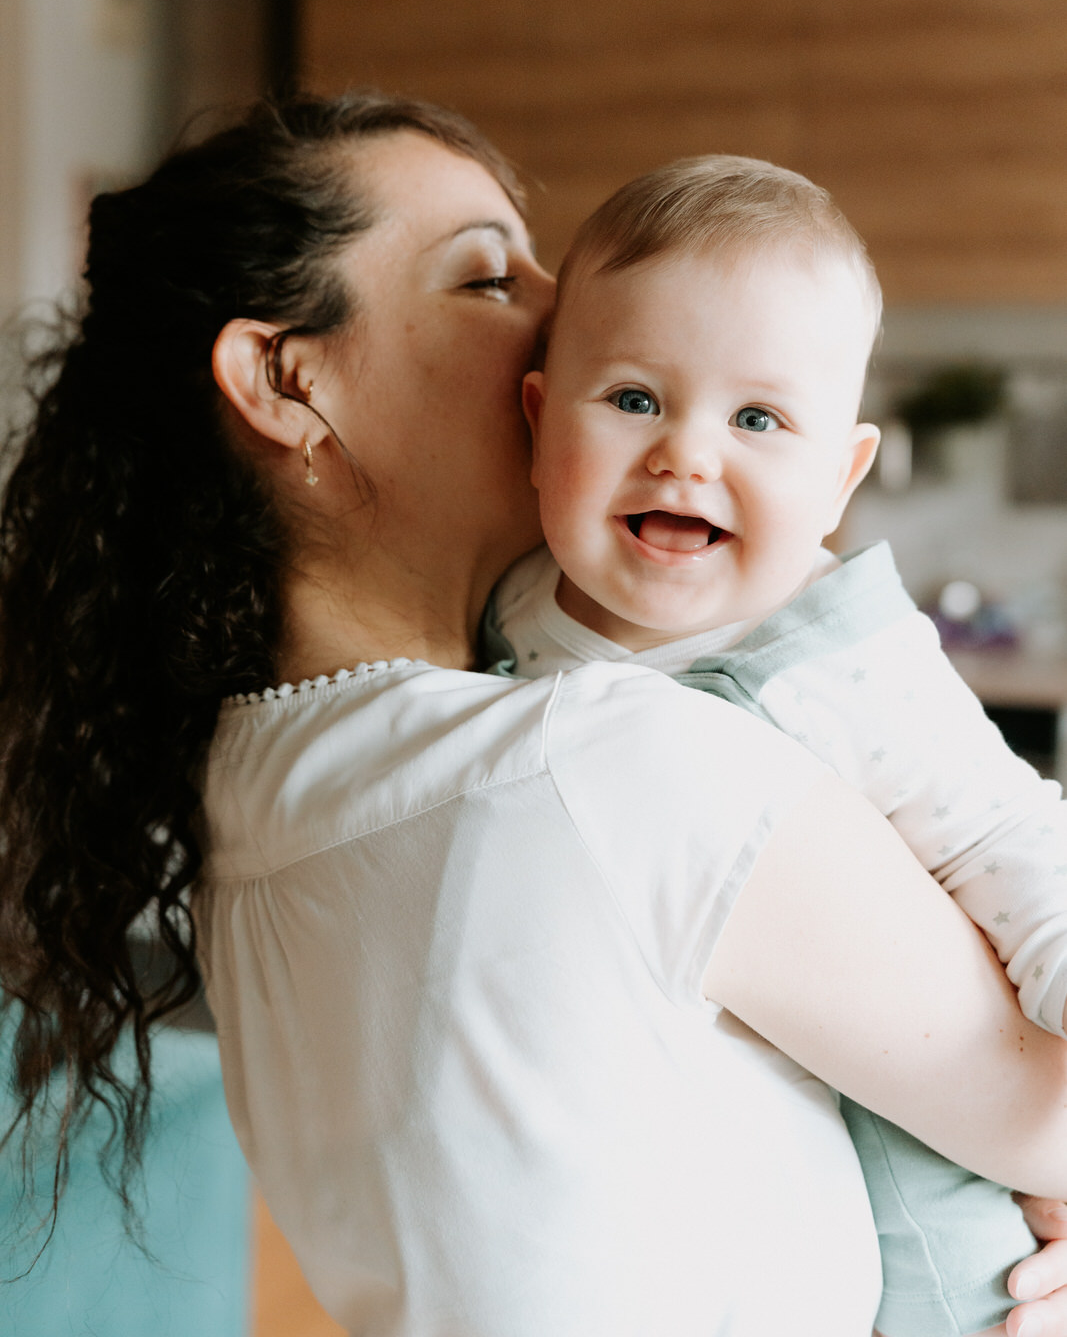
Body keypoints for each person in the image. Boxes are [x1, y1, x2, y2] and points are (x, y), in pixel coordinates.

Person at [2, 95, 1067, 1337]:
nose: (561, 306)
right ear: (288, 381)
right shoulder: (605, 760)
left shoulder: (249, 803)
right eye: (485, 274)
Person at [487, 153, 1067, 1337]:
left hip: (934, 1173)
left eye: (757, 419)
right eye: (635, 398)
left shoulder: (836, 655)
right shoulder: (503, 614)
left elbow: (1002, 826)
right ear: (541, 415)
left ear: (836, 477)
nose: (686, 455)